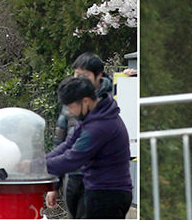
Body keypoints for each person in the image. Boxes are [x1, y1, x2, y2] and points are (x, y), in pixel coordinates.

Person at [44, 77, 132, 219]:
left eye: (71, 107)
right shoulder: (91, 117)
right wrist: (39, 162)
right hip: (97, 190)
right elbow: (67, 145)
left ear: (85, 101)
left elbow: (72, 158)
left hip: (108, 195)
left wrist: (36, 167)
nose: (69, 112)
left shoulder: (99, 125)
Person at [51, 52, 114, 218]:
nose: (80, 80)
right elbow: (59, 142)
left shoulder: (111, 98)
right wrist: (54, 185)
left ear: (99, 75)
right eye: (77, 75)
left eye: (84, 76)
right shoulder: (70, 98)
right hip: (73, 176)